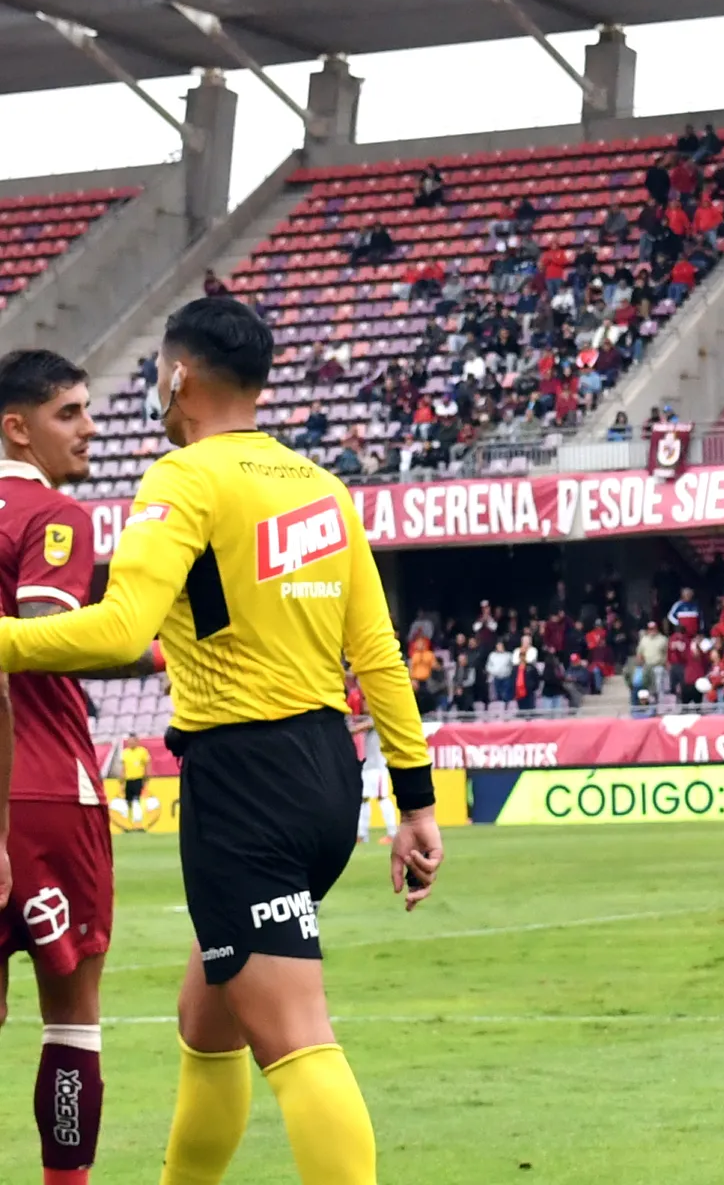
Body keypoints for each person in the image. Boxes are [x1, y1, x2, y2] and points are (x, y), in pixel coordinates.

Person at [0, 300, 444, 1185]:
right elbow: (380, 653)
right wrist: (417, 801)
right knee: (209, 1018)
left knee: (295, 1037)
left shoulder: (185, 477)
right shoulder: (322, 486)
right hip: (325, 773)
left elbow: (120, 629)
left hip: (243, 779)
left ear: (177, 376)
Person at [0, 350, 169, 1185]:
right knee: (71, 1017)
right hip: (43, 788)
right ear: (17, 427)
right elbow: (41, 637)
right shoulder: (53, 512)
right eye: (70, 412)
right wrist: (149, 650)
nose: (91, 427)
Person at [350, 710, 395, 847]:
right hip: (368, 765)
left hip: (378, 766)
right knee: (364, 800)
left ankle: (393, 833)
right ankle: (362, 835)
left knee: (382, 798)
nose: (365, 704)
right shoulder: (368, 718)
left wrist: (345, 730)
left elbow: (359, 728)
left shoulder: (378, 715)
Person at [120, 732, 150, 829]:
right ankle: (129, 822)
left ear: (137, 741)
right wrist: (121, 780)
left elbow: (147, 765)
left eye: (132, 741)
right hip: (128, 780)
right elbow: (123, 767)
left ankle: (139, 823)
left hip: (138, 779)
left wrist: (147, 778)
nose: (130, 743)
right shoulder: (125, 752)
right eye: (129, 741)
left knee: (137, 801)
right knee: (128, 801)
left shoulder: (142, 751)